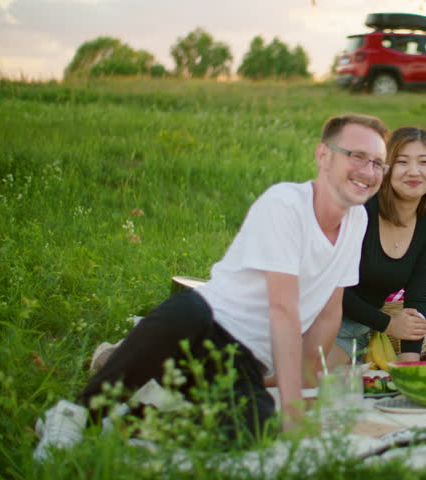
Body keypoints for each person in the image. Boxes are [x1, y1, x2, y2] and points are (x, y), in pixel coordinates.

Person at [32, 113, 389, 461]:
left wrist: (302, 385)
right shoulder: (285, 203)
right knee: (190, 309)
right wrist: (293, 405)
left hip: (243, 363)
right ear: (323, 155)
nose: (369, 171)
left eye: (377, 163)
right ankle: (76, 413)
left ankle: (132, 422)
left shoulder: (356, 221)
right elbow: (283, 308)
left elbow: (329, 314)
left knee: (257, 427)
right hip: (198, 328)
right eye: (357, 156)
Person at [329, 127, 426, 364]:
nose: (414, 171)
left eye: (424, 162)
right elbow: (329, 286)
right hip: (312, 314)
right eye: (401, 162)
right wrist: (390, 325)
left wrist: (409, 364)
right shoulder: (359, 209)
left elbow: (418, 296)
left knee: (327, 385)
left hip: (355, 330)